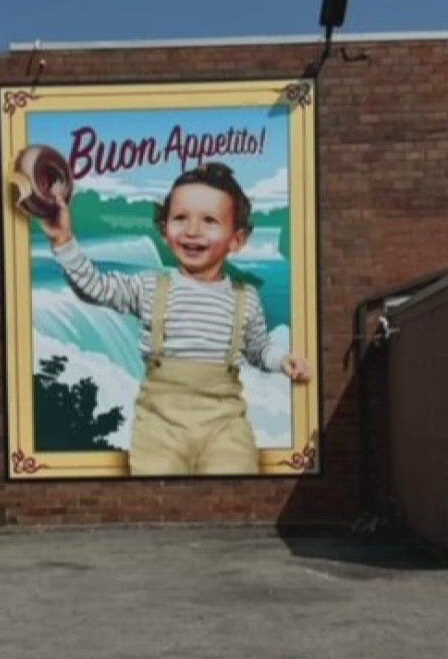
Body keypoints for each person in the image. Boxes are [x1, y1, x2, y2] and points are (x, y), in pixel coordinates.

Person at [35, 161, 312, 475]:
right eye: (180, 218)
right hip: (159, 424)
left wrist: (282, 361)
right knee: (154, 491)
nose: (192, 230)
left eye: (209, 220)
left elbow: (259, 350)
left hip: (225, 425)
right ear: (165, 230)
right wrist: (63, 241)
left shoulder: (244, 297)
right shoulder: (151, 286)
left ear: (236, 239)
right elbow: (96, 288)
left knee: (234, 483)